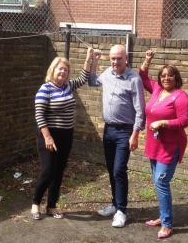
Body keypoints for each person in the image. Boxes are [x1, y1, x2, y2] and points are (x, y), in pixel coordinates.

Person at [31, 48, 93, 220]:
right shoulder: (45, 89)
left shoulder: (68, 85)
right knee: (48, 171)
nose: (63, 72)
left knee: (59, 171)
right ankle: (35, 203)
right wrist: (48, 137)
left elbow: (83, 78)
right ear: (53, 70)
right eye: (60, 69)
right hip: (48, 135)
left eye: (66, 70)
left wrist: (88, 58)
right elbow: (39, 115)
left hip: (66, 135)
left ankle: (51, 205)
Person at [88, 45, 145, 228]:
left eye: (118, 59)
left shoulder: (134, 79)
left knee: (119, 170)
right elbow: (91, 81)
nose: (115, 62)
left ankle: (121, 210)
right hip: (108, 130)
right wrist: (95, 59)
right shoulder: (107, 73)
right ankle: (114, 203)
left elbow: (140, 111)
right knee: (112, 169)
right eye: (112, 58)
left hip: (125, 132)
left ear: (125, 58)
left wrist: (135, 134)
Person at [139, 50, 188, 238]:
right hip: (155, 143)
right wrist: (148, 60)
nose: (166, 78)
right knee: (157, 181)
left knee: (162, 181)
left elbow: (184, 121)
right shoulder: (157, 90)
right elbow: (142, 76)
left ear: (177, 78)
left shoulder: (180, 96)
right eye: (163, 75)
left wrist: (163, 123)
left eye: (170, 75)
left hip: (170, 145)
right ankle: (163, 216)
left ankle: (167, 224)